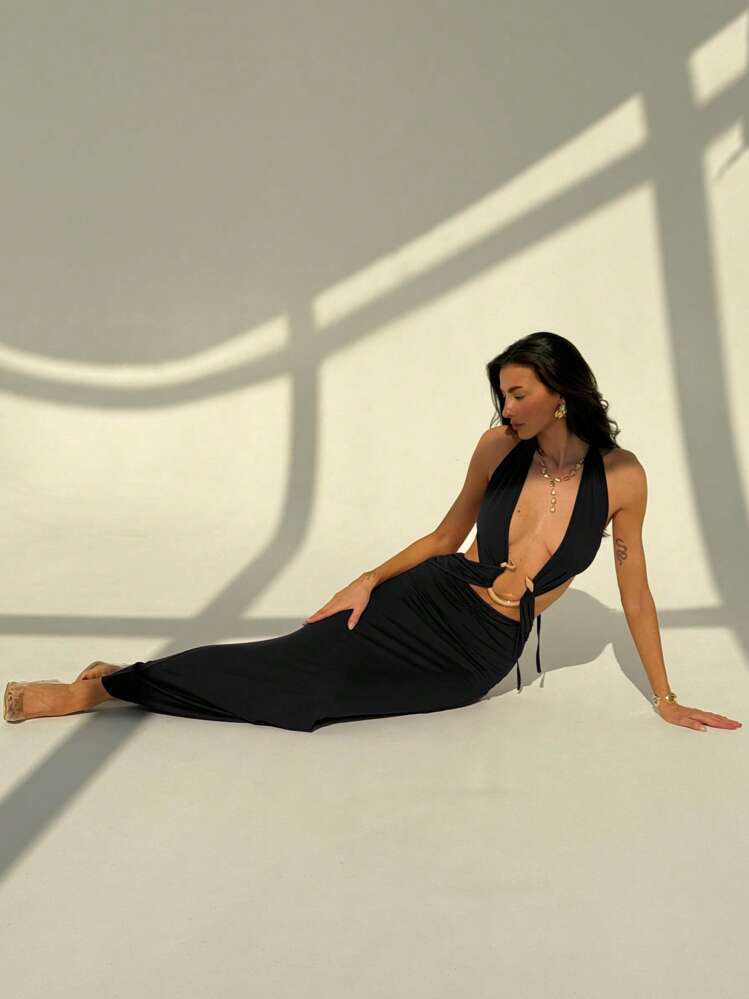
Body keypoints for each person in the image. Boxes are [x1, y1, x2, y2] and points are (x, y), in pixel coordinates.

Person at [4, 332, 742, 734]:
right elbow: (444, 537)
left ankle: (126, 679)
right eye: (502, 395)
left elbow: (635, 592)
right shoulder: (497, 448)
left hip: (478, 654)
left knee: (318, 702)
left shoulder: (623, 477)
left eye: (518, 393)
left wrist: (665, 696)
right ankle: (102, 689)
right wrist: (366, 580)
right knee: (288, 664)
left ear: (561, 393)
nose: (506, 408)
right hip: (429, 596)